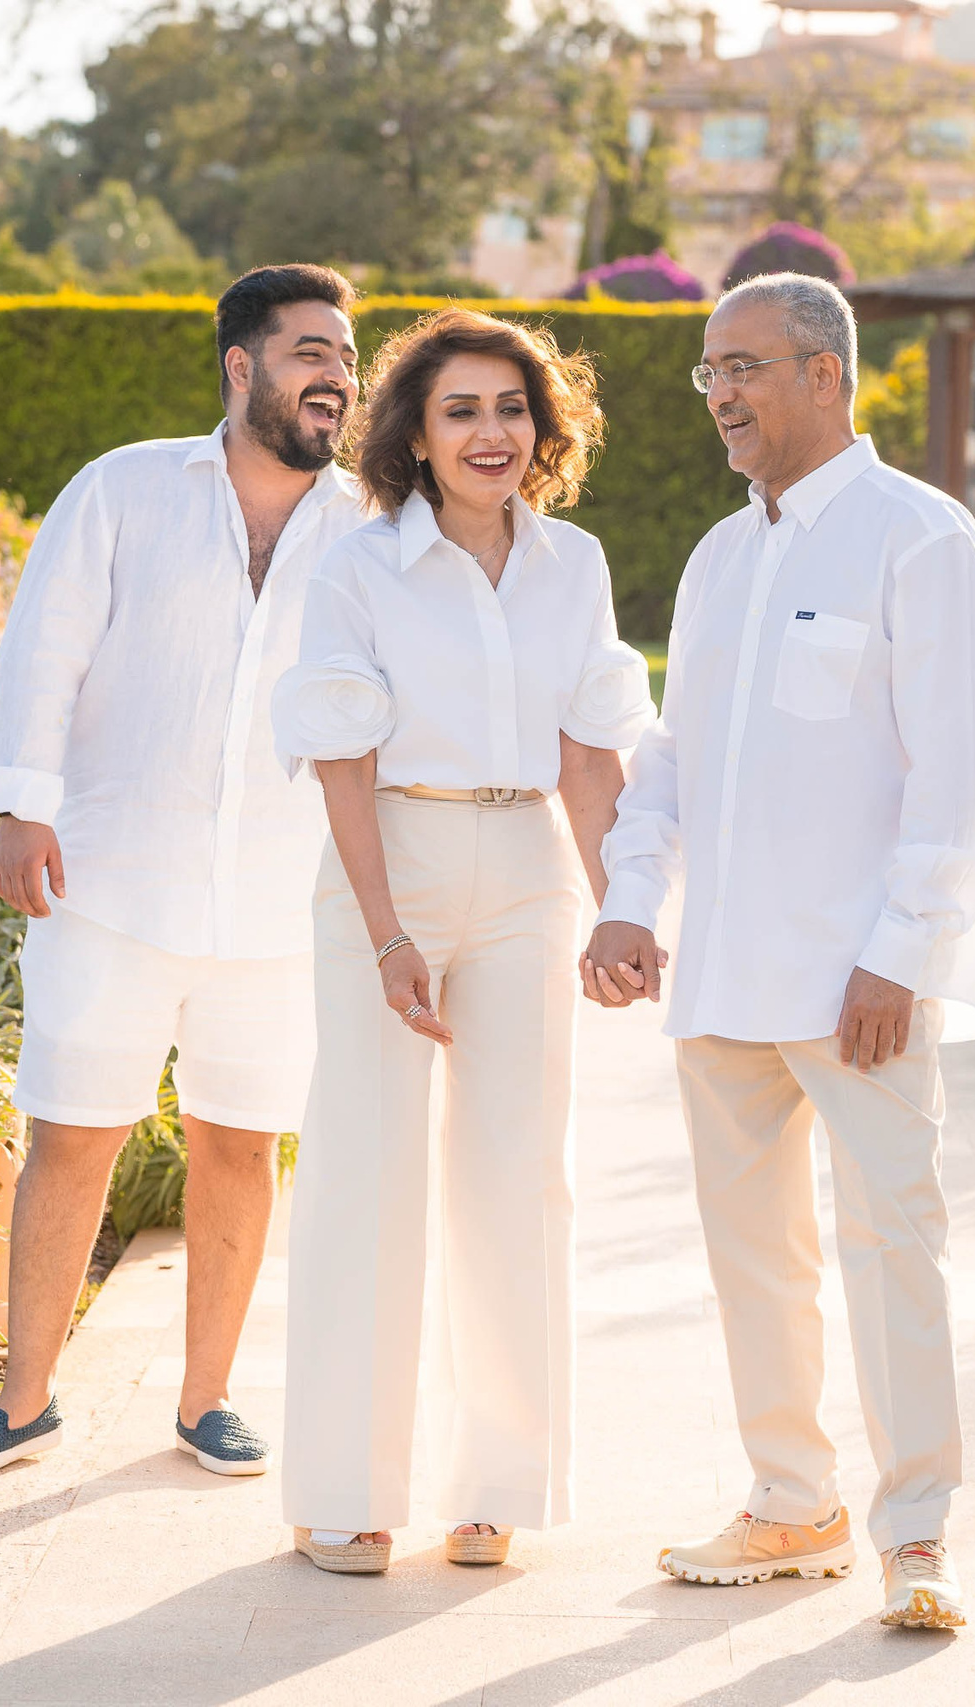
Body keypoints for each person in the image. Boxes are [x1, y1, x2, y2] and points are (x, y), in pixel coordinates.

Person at [583, 273, 975, 1632]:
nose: (720, 393)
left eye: (745, 367)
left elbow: (957, 773)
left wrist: (901, 950)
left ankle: (920, 1530)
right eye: (709, 371)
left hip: (859, 984)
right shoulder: (720, 557)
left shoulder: (920, 540)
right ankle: (790, 1499)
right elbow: (672, 757)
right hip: (723, 977)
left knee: (897, 1244)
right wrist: (629, 896)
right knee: (752, 1253)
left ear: (828, 374)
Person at [0, 265, 371, 1481]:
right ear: (241, 369)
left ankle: (207, 1400)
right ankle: (22, 1404)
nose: (335, 373)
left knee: (241, 1143)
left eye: (343, 353)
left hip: (283, 904)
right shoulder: (123, 488)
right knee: (73, 1132)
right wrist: (22, 804)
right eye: (307, 352)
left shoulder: (372, 528)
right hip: (111, 888)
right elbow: (44, 649)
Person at [273, 307, 652, 1576]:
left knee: (514, 1172)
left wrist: (620, 907)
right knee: (368, 1175)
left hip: (529, 872)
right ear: (415, 438)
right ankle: (344, 1491)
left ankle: (491, 1485)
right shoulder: (359, 566)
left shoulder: (574, 566)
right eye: (460, 412)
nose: (490, 433)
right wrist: (388, 936)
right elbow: (341, 759)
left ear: (542, 429)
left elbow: (591, 757)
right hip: (393, 861)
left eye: (509, 408)